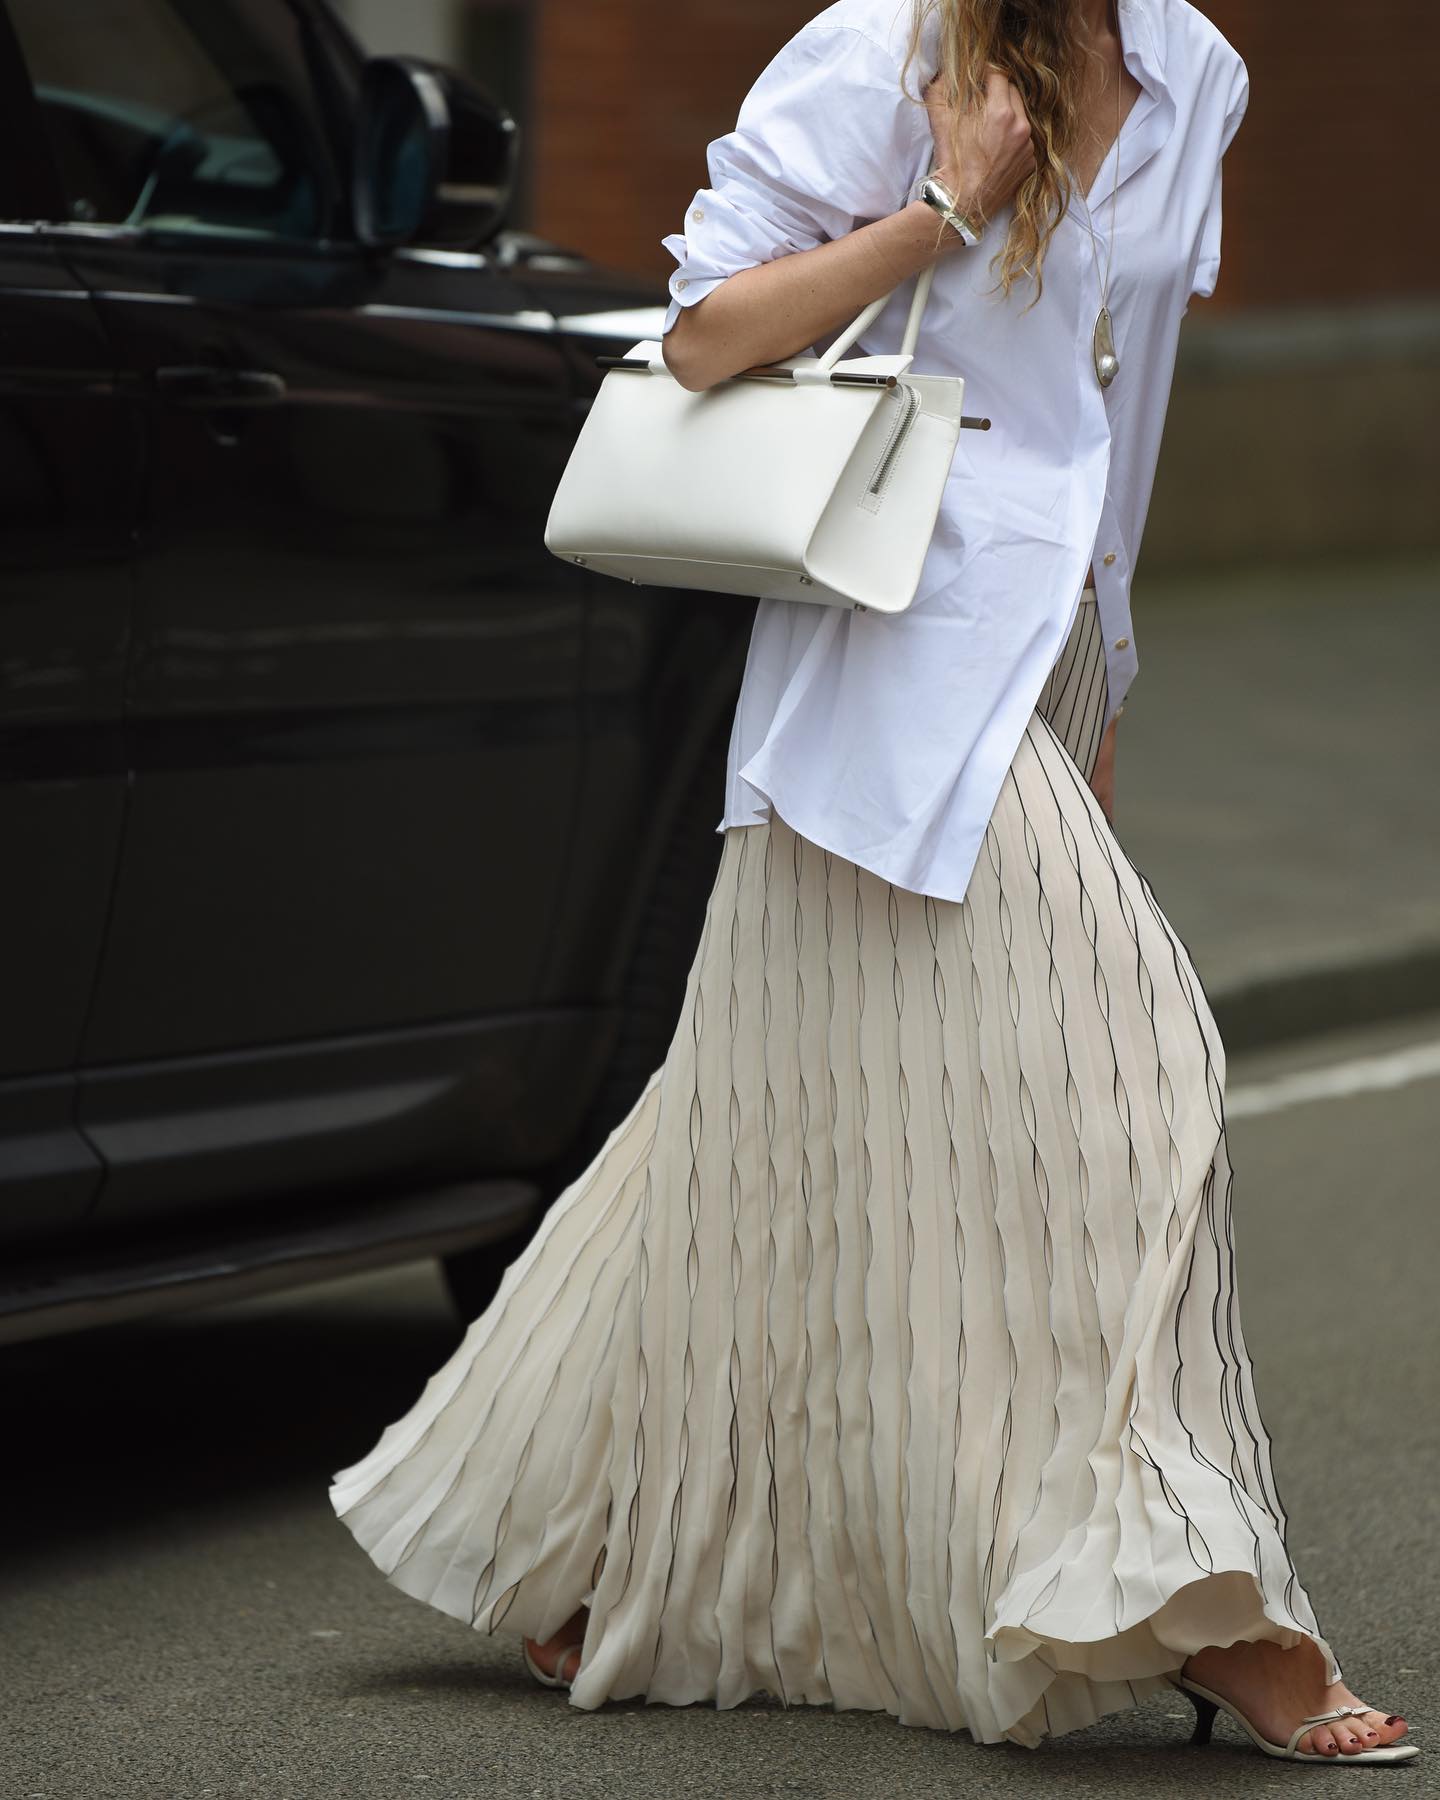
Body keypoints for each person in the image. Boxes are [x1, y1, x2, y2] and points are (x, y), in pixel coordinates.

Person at [330, 0, 1418, 1765]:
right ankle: (1206, 1608)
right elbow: (698, 338)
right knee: (1152, 1082)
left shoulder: (1197, 71)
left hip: (1049, 663)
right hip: (900, 642)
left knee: (769, 1116)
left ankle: (590, 1538)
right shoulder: (879, 49)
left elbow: (1116, 413)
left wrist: (1112, 679)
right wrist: (940, 205)